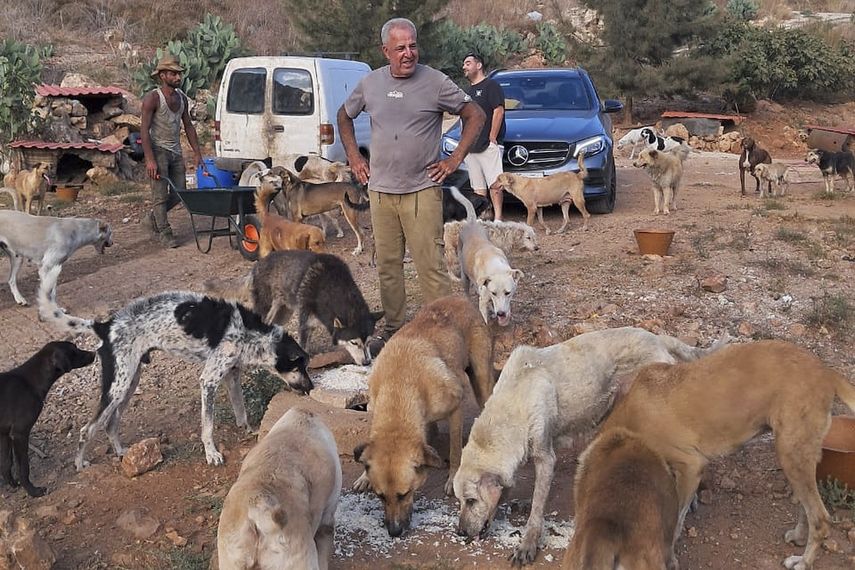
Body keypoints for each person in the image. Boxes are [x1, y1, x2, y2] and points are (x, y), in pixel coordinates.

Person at [337, 17, 485, 357]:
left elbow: (474, 114)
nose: (408, 53)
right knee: (388, 264)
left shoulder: (435, 82)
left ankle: (443, 331)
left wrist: (454, 159)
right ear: (385, 51)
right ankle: (393, 328)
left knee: (429, 265)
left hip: (421, 189)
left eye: (413, 46)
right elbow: (344, 116)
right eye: (400, 48)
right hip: (381, 190)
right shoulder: (370, 84)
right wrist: (354, 158)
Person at [140, 53, 203, 248]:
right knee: (159, 195)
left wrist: (197, 153)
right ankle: (165, 232)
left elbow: (189, 126)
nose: (178, 77)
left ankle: (153, 218)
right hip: (158, 150)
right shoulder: (153, 99)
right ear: (162, 76)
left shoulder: (181, 98)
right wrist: (150, 159)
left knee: (180, 193)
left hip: (175, 151)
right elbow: (143, 130)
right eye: (173, 74)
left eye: (179, 74)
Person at [461, 53, 506, 220]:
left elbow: (498, 110)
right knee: (478, 188)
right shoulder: (467, 92)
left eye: (467, 63)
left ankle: (498, 218)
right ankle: (482, 217)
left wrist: (492, 137)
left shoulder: (491, 86)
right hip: (471, 147)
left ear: (478, 65)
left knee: (495, 185)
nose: (464, 67)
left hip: (488, 145)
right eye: (464, 64)